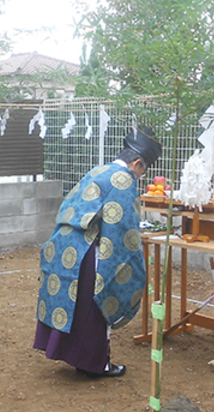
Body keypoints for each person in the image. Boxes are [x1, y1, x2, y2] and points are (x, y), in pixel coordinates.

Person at [33, 125, 163, 378]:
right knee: (93, 307)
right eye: (142, 170)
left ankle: (73, 355)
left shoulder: (100, 169)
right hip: (87, 249)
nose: (140, 175)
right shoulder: (124, 179)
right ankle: (95, 363)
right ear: (137, 163)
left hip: (64, 244)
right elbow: (122, 227)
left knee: (73, 304)